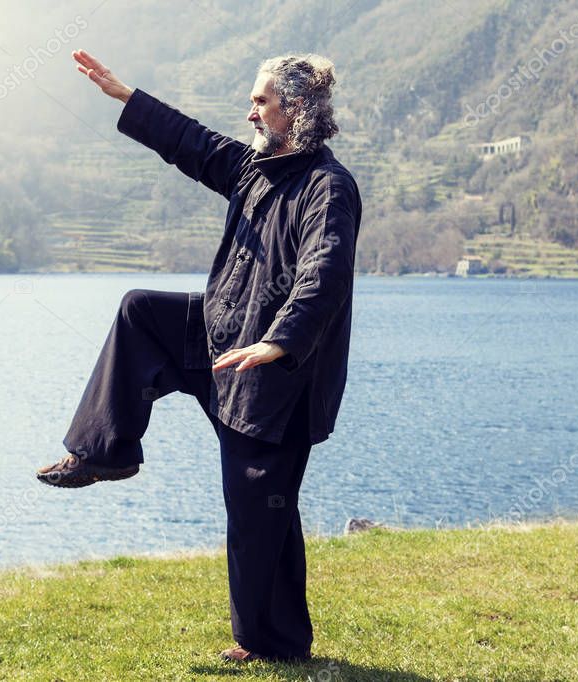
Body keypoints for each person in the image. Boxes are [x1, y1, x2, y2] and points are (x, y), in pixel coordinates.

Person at [37, 48, 362, 664]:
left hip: (275, 379)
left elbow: (326, 272)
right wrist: (128, 96)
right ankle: (103, 454)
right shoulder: (254, 169)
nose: (251, 111)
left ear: (292, 109)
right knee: (141, 311)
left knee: (260, 511)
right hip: (221, 343)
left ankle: (274, 644)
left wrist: (280, 339)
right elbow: (192, 142)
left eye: (260, 100)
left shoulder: (329, 188)